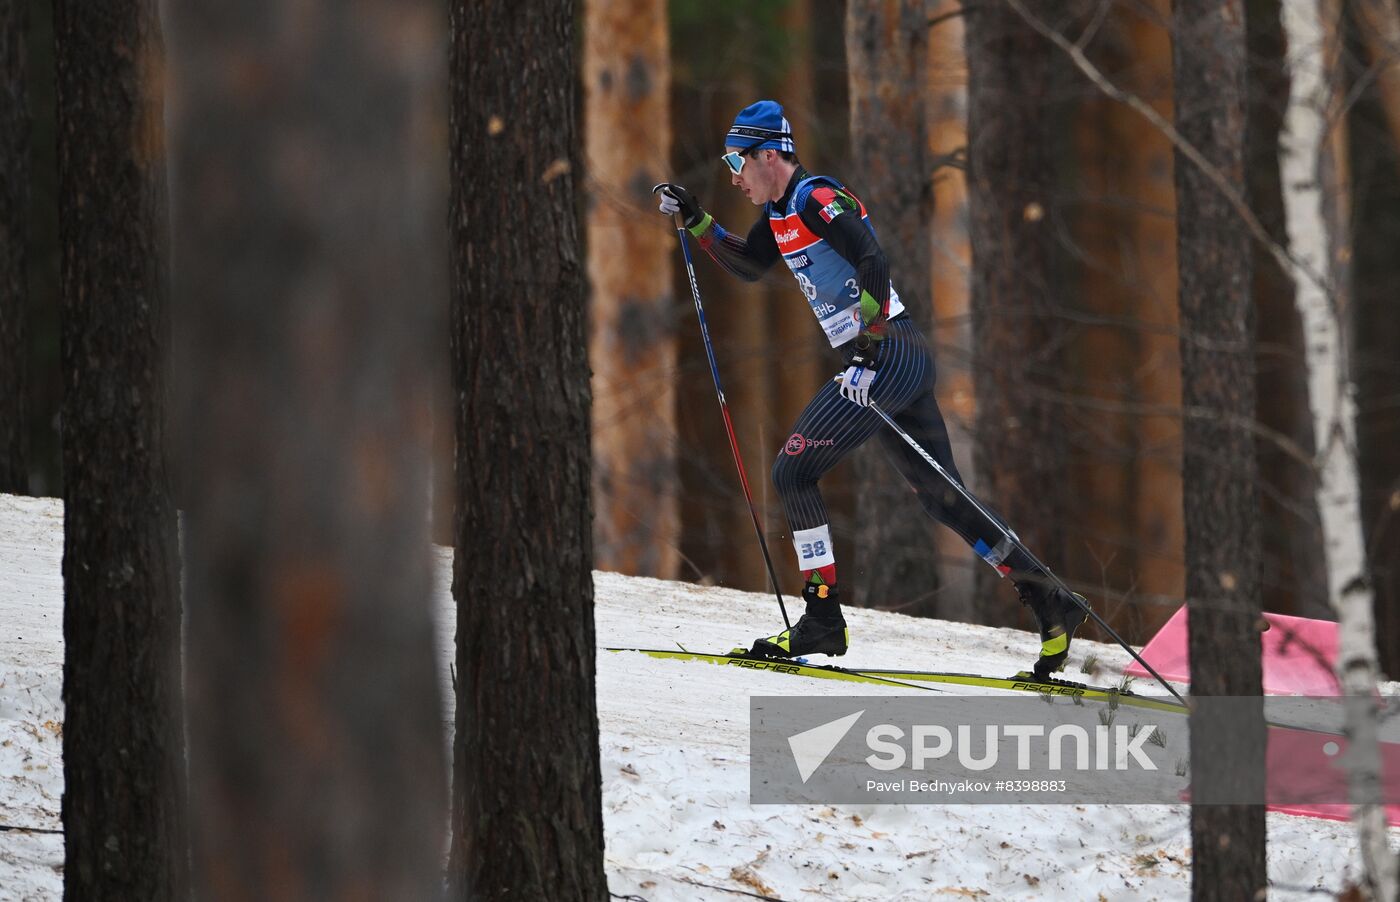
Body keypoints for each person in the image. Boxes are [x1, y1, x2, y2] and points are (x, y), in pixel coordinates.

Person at [656, 100, 1087, 680]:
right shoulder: (779, 214)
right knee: (943, 497)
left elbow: (871, 257)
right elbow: (752, 264)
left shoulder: (813, 198)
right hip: (885, 359)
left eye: (737, 161)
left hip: (887, 354)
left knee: (792, 471)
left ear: (768, 155)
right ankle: (1051, 599)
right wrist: (698, 221)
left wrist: (868, 348)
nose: (733, 176)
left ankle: (822, 618)